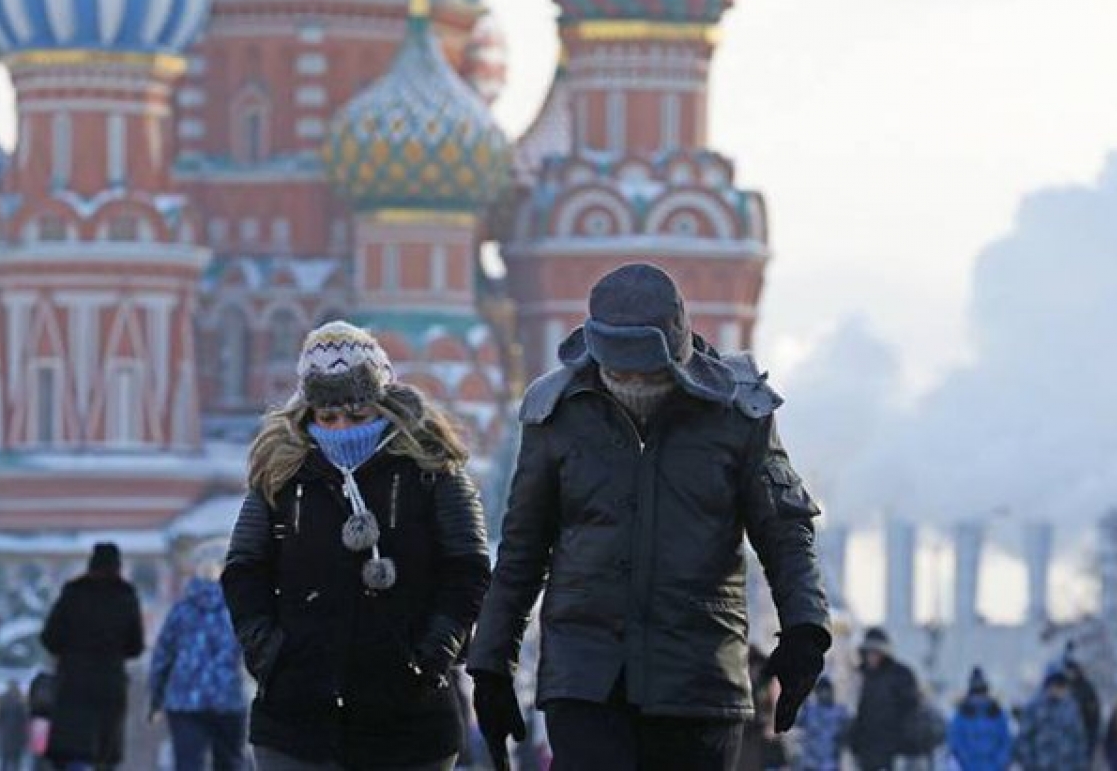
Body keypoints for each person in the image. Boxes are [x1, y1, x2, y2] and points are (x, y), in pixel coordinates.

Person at [467, 263, 831, 771]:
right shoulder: (556, 413)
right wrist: (491, 663)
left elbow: (785, 530)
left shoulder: (737, 413)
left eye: (646, 371)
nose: (630, 382)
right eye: (619, 370)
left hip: (697, 678)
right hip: (585, 675)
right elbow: (522, 550)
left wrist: (805, 628)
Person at [221, 320, 492, 770]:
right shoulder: (282, 474)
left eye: (357, 415)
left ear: (383, 408)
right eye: (327, 417)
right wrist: (269, 653)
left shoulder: (431, 470)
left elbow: (469, 567)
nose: (341, 428)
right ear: (310, 415)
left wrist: (435, 651)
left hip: (410, 718)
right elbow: (244, 568)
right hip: (296, 720)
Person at [41, 542, 145, 770]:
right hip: (110, 683)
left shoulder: (73, 592)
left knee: (73, 749)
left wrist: (70, 650)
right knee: (104, 753)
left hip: (73, 683)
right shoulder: (126, 595)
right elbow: (136, 646)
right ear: (118, 566)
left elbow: (49, 638)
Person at [149, 540, 247, 771]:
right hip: (228, 700)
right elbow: (255, 653)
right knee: (230, 763)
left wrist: (156, 698)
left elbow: (162, 657)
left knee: (188, 764)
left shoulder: (181, 610)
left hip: (185, 701)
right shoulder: (239, 610)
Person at [847, 627, 920, 771]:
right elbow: (857, 715)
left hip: (895, 751)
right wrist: (854, 745)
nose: (872, 656)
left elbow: (912, 711)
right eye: (868, 652)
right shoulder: (861, 677)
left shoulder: (901, 675)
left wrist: (905, 746)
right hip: (867, 752)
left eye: (876, 652)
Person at [1014, 665, 1089, 771]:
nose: (1058, 688)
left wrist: (1080, 765)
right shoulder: (1035, 707)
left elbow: (1079, 741)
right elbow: (1024, 739)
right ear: (1048, 684)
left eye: (1062, 684)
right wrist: (1029, 763)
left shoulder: (1071, 709)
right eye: (1056, 683)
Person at [947, 667, 1011, 771]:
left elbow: (1006, 741)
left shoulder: (998, 714)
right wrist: (966, 762)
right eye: (976, 693)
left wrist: (999, 763)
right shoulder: (960, 716)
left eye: (981, 692)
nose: (979, 697)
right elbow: (956, 744)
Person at [793, 676, 850, 771]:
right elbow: (795, 721)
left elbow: (847, 734)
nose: (824, 694)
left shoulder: (839, 712)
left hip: (830, 763)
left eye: (826, 691)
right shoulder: (809, 711)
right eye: (821, 691)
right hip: (810, 764)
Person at [1062, 642, 1101, 757]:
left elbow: (1094, 723)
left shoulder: (1087, 691)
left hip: (1080, 749)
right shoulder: (1056, 685)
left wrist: (1089, 750)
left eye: (1072, 669)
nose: (1070, 672)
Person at [0, 680, 30, 771]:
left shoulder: (18, 702)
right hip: (11, 737)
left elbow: (24, 721)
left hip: (14, 737)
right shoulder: (14, 702)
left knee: (11, 762)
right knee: (9, 761)